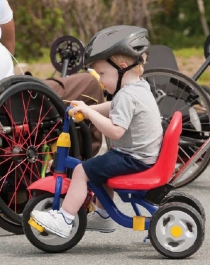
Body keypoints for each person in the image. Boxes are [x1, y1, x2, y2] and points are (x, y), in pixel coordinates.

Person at [30, 25, 164, 238]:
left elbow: (116, 131)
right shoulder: (138, 87)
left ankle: (64, 219)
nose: (100, 80)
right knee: (100, 166)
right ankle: (103, 216)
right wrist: (89, 108)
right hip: (141, 155)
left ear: (122, 67)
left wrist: (90, 115)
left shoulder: (126, 96)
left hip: (133, 158)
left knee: (83, 171)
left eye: (102, 73)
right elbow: (113, 108)